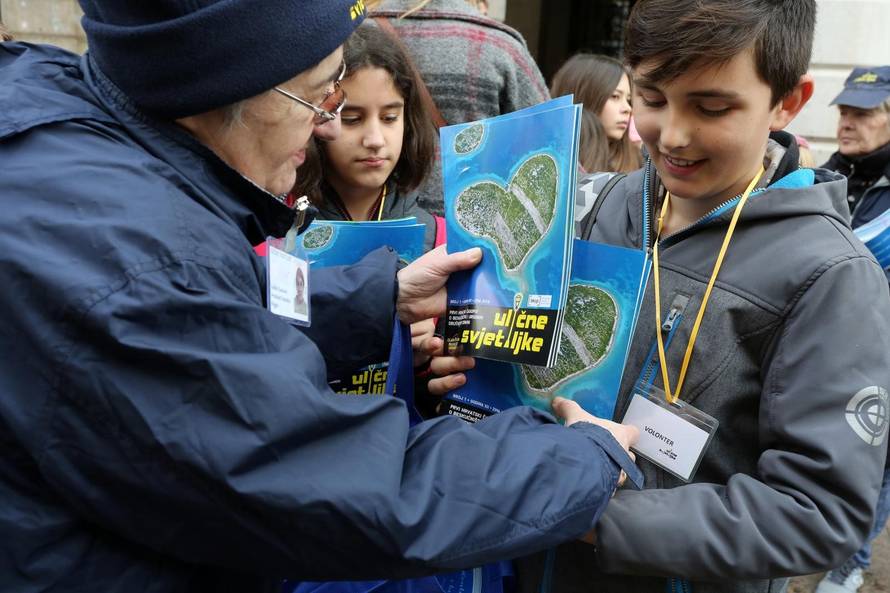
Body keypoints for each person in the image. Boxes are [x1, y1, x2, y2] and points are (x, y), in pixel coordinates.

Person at [0, 1, 643, 592]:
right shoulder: (143, 268)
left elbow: (227, 299)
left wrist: (378, 297)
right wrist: (578, 456)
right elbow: (348, 488)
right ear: (224, 87)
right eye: (321, 96)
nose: (324, 125)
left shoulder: (79, 135)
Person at [429, 2, 890, 593]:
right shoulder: (596, 205)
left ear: (787, 102)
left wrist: (592, 515)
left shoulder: (829, 276)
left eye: (712, 108)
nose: (672, 135)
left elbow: (818, 511)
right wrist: (457, 363)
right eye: (651, 98)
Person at [815, 65, 890, 593]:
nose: (847, 122)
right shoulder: (825, 178)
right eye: (844, 110)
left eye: (862, 113)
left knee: (880, 462)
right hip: (827, 347)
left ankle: (852, 560)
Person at [371, 0, 550, 215]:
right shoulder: (501, 45)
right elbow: (549, 150)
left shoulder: (357, 34)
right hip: (472, 225)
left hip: (375, 223)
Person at [292, 22, 438, 250]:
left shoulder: (443, 243)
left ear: (409, 122)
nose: (375, 140)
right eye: (351, 119)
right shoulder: (277, 235)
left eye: (389, 118)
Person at [550, 53, 643, 173]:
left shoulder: (641, 164)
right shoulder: (552, 160)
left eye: (628, 100)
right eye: (615, 96)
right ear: (585, 97)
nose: (628, 109)